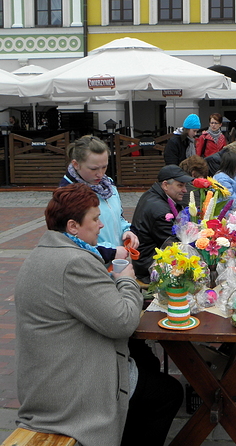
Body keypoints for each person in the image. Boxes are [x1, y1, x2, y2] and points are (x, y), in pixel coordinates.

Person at [15, 183, 183, 446]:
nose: (101, 225)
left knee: (146, 361)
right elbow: (123, 322)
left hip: (51, 373)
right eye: (95, 219)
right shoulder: (74, 263)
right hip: (68, 388)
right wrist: (126, 280)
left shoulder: (48, 251)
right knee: (168, 393)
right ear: (73, 226)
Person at [60, 135, 138, 263]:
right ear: (76, 164)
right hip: (91, 266)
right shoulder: (67, 193)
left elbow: (118, 217)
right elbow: (69, 239)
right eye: (94, 169)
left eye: (104, 167)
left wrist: (128, 231)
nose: (100, 174)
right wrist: (111, 253)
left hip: (115, 263)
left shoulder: (108, 184)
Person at [130, 164, 193, 284]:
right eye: (180, 185)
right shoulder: (160, 210)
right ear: (165, 185)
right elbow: (174, 244)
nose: (185, 190)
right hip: (149, 266)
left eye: (184, 186)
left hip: (145, 259)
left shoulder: (155, 194)